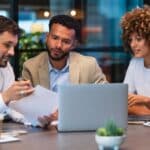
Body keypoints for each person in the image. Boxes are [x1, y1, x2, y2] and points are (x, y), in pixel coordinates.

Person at [22, 14, 108, 127]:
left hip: (77, 127)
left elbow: (105, 98)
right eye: (55, 38)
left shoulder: (89, 65)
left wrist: (66, 115)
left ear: (74, 44)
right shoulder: (31, 67)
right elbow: (25, 106)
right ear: (47, 37)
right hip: (43, 130)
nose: (58, 45)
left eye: (66, 41)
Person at [0, 15, 34, 122]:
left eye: (14, 46)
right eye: (7, 45)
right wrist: (5, 97)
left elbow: (10, 108)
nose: (12, 52)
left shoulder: (6, 68)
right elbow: (6, 99)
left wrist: (36, 118)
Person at [121, 6, 150, 115]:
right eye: (130, 40)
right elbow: (125, 99)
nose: (133, 45)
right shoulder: (135, 63)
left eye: (138, 39)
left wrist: (146, 100)